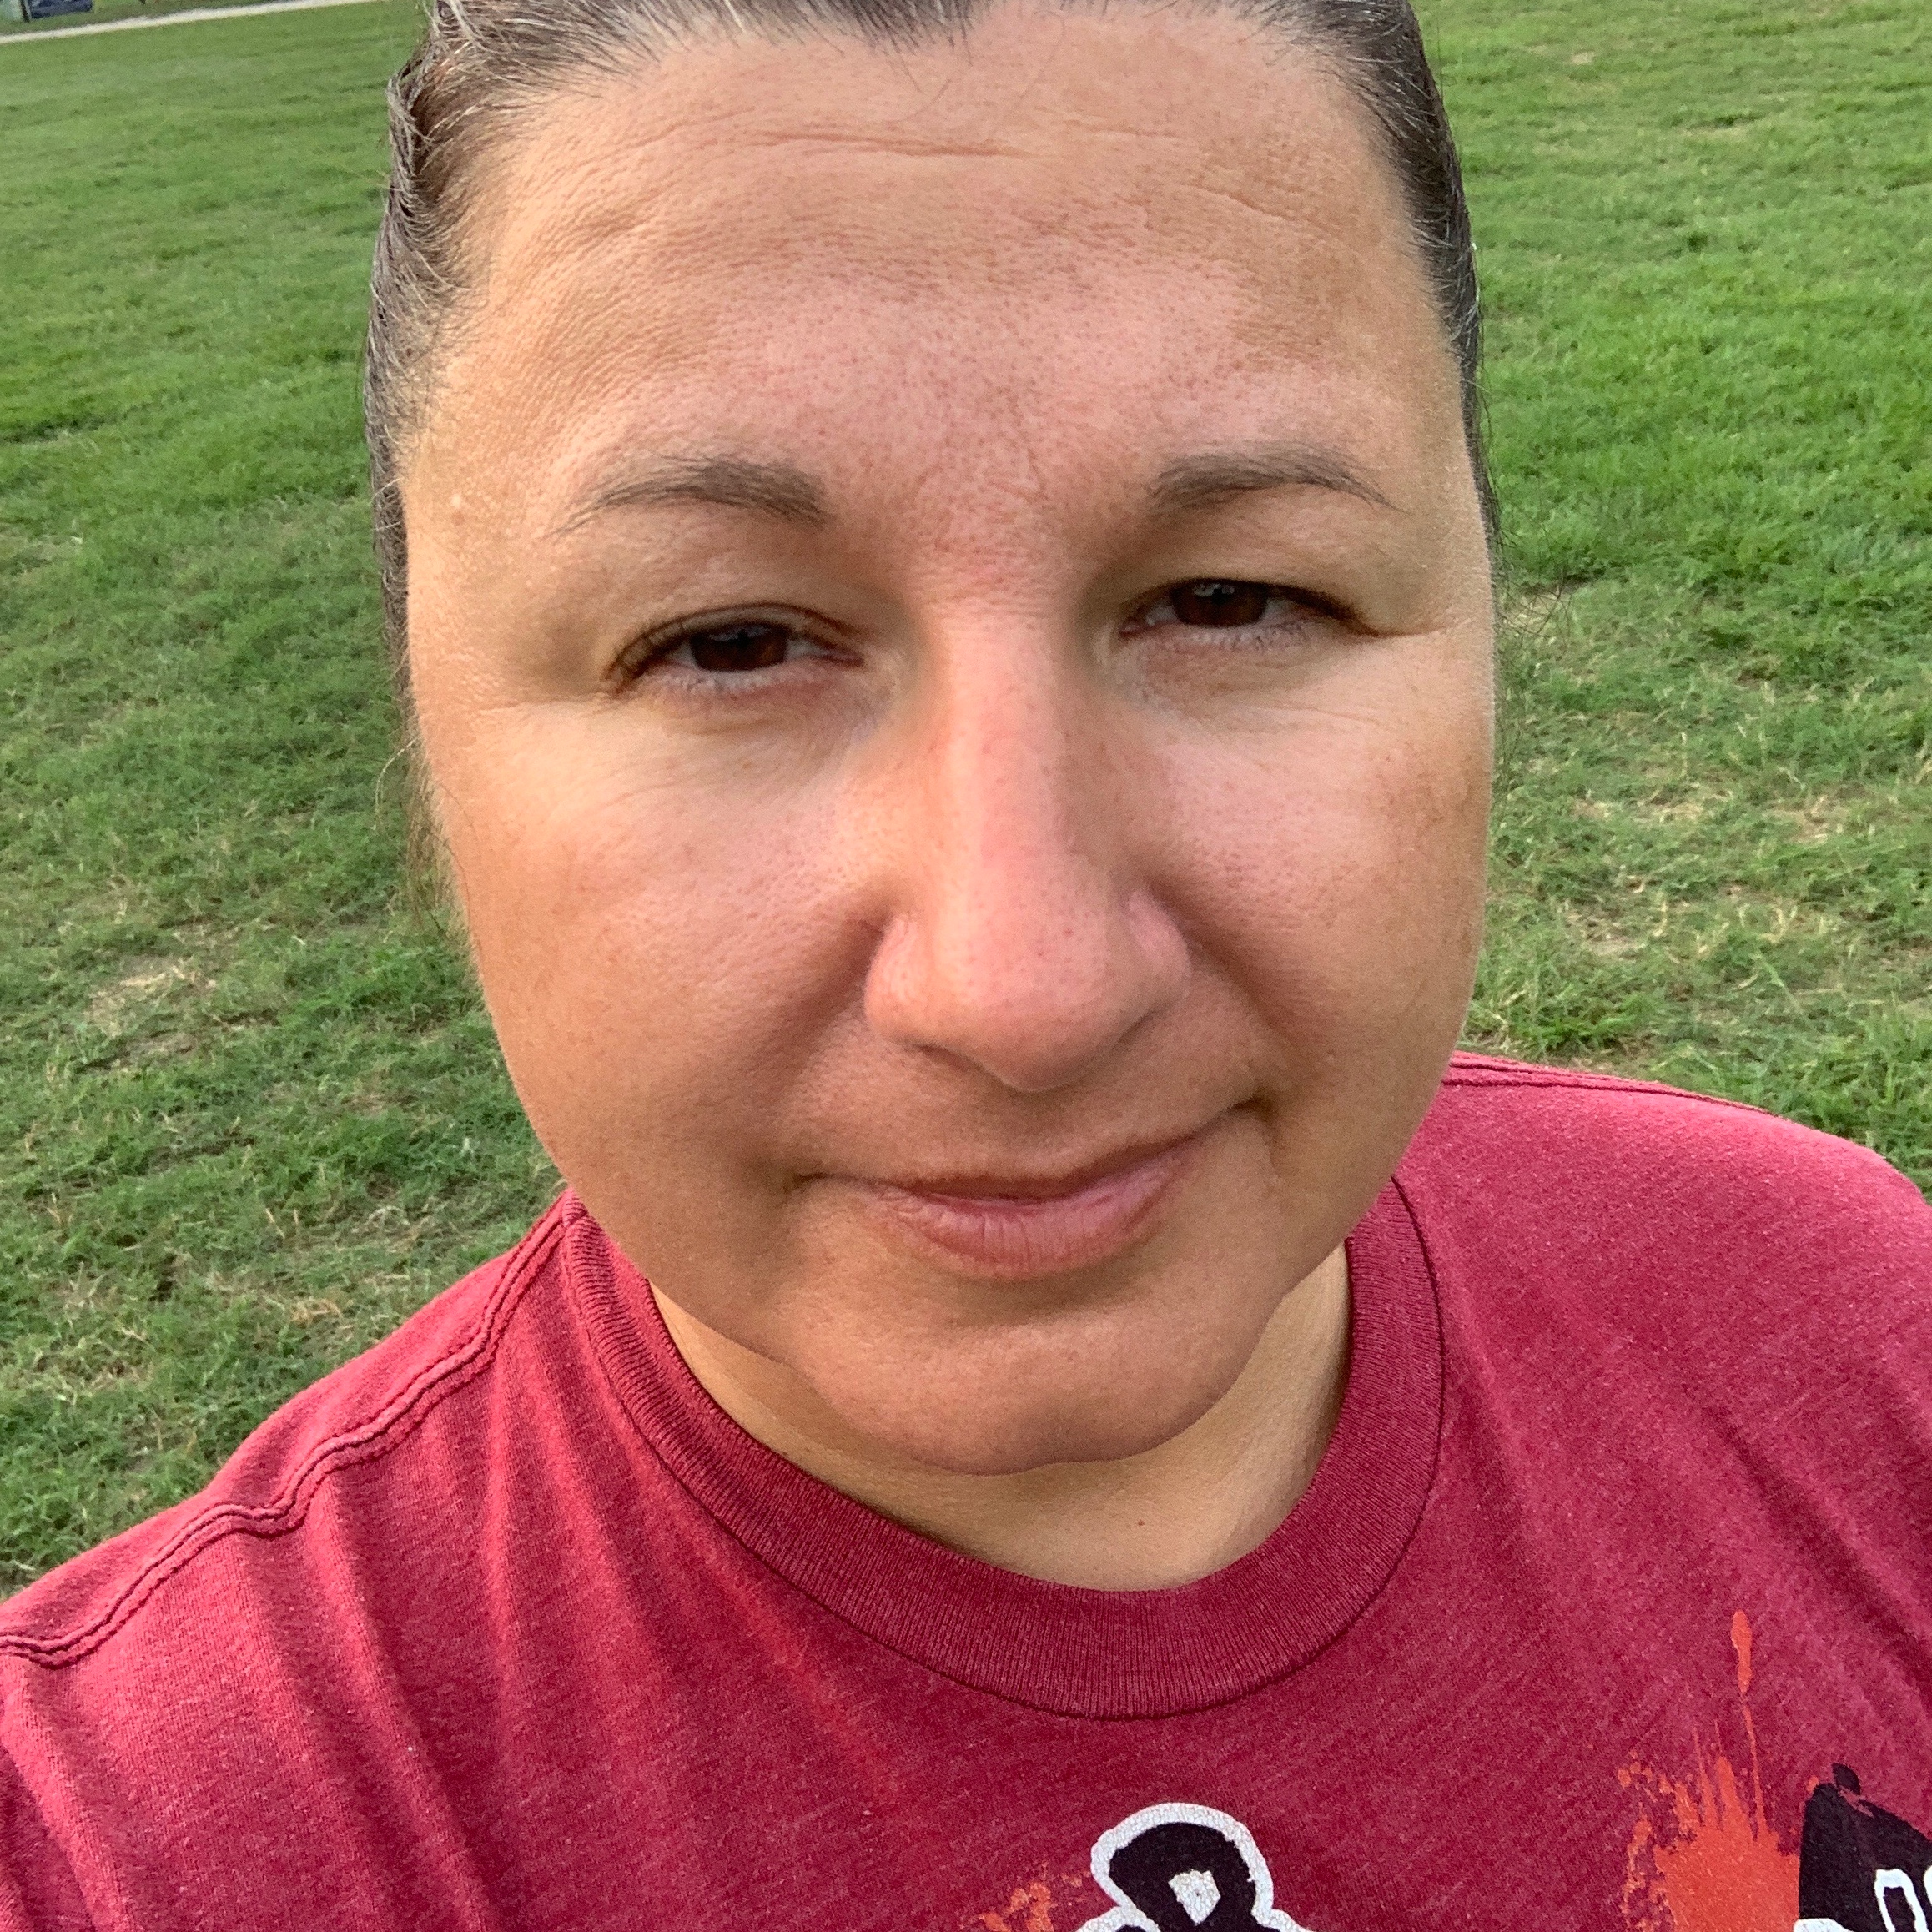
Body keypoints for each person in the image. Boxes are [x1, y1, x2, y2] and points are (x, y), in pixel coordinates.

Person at [2, 0, 1926, 1924]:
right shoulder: (129, 1848)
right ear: (426, 734)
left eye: (1231, 599)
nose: (1028, 994)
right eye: (729, 643)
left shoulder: (1856, 1338)